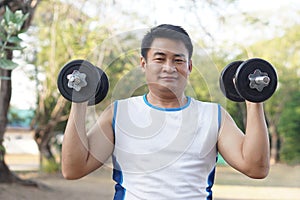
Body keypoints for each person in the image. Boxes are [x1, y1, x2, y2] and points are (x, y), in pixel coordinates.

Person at [61, 24, 270, 200]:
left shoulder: (213, 116)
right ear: (144, 64)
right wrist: (79, 99)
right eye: (160, 59)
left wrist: (253, 99)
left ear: (189, 67)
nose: (169, 67)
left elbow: (256, 168)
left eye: (178, 60)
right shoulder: (119, 113)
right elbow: (73, 169)